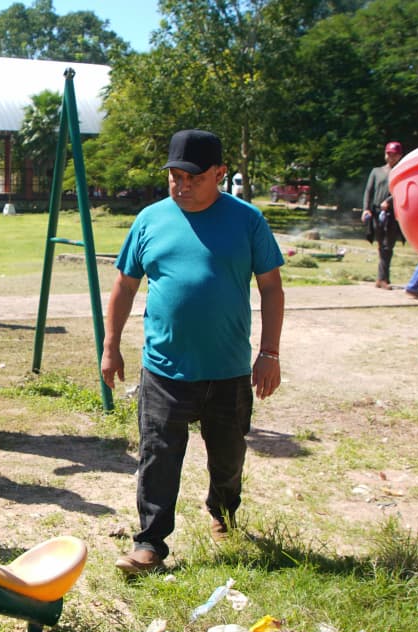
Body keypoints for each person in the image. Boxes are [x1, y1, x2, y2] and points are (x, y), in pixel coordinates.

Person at [101, 130, 285, 575]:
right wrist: (110, 346)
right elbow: (125, 285)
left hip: (227, 369)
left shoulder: (247, 220)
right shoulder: (150, 220)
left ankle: (223, 510)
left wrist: (270, 353)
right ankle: (149, 543)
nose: (182, 186)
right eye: (175, 176)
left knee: (228, 457)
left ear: (220, 173)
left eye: (194, 178)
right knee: (158, 456)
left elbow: (271, 287)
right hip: (164, 368)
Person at [362, 141, 405, 290]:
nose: (391, 157)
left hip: (392, 214)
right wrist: (366, 209)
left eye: (394, 155)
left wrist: (389, 201)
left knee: (388, 246)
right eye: (389, 154)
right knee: (381, 245)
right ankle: (382, 277)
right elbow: (369, 191)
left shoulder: (401, 172)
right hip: (376, 213)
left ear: (399, 156)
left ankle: (382, 278)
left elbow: (401, 190)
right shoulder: (376, 171)